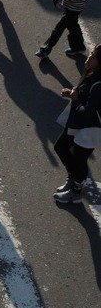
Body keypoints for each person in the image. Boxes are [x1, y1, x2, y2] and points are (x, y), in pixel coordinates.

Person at [52, 45, 101, 204]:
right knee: (61, 146)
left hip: (90, 129)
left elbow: (88, 112)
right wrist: (74, 93)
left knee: (80, 159)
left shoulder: (99, 84)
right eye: (91, 54)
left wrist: (75, 98)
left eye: (93, 57)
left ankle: (76, 192)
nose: (88, 57)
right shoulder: (92, 74)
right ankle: (74, 178)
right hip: (79, 123)